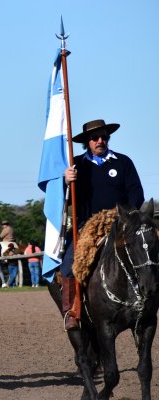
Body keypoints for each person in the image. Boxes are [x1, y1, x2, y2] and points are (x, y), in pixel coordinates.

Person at [61, 119, 144, 330]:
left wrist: (127, 217)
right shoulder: (76, 166)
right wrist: (65, 182)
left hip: (122, 221)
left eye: (104, 137)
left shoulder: (123, 162)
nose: (100, 141)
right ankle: (73, 310)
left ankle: (149, 302)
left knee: (148, 250)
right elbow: (66, 200)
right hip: (88, 226)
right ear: (86, 142)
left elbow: (136, 194)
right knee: (69, 264)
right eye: (95, 138)